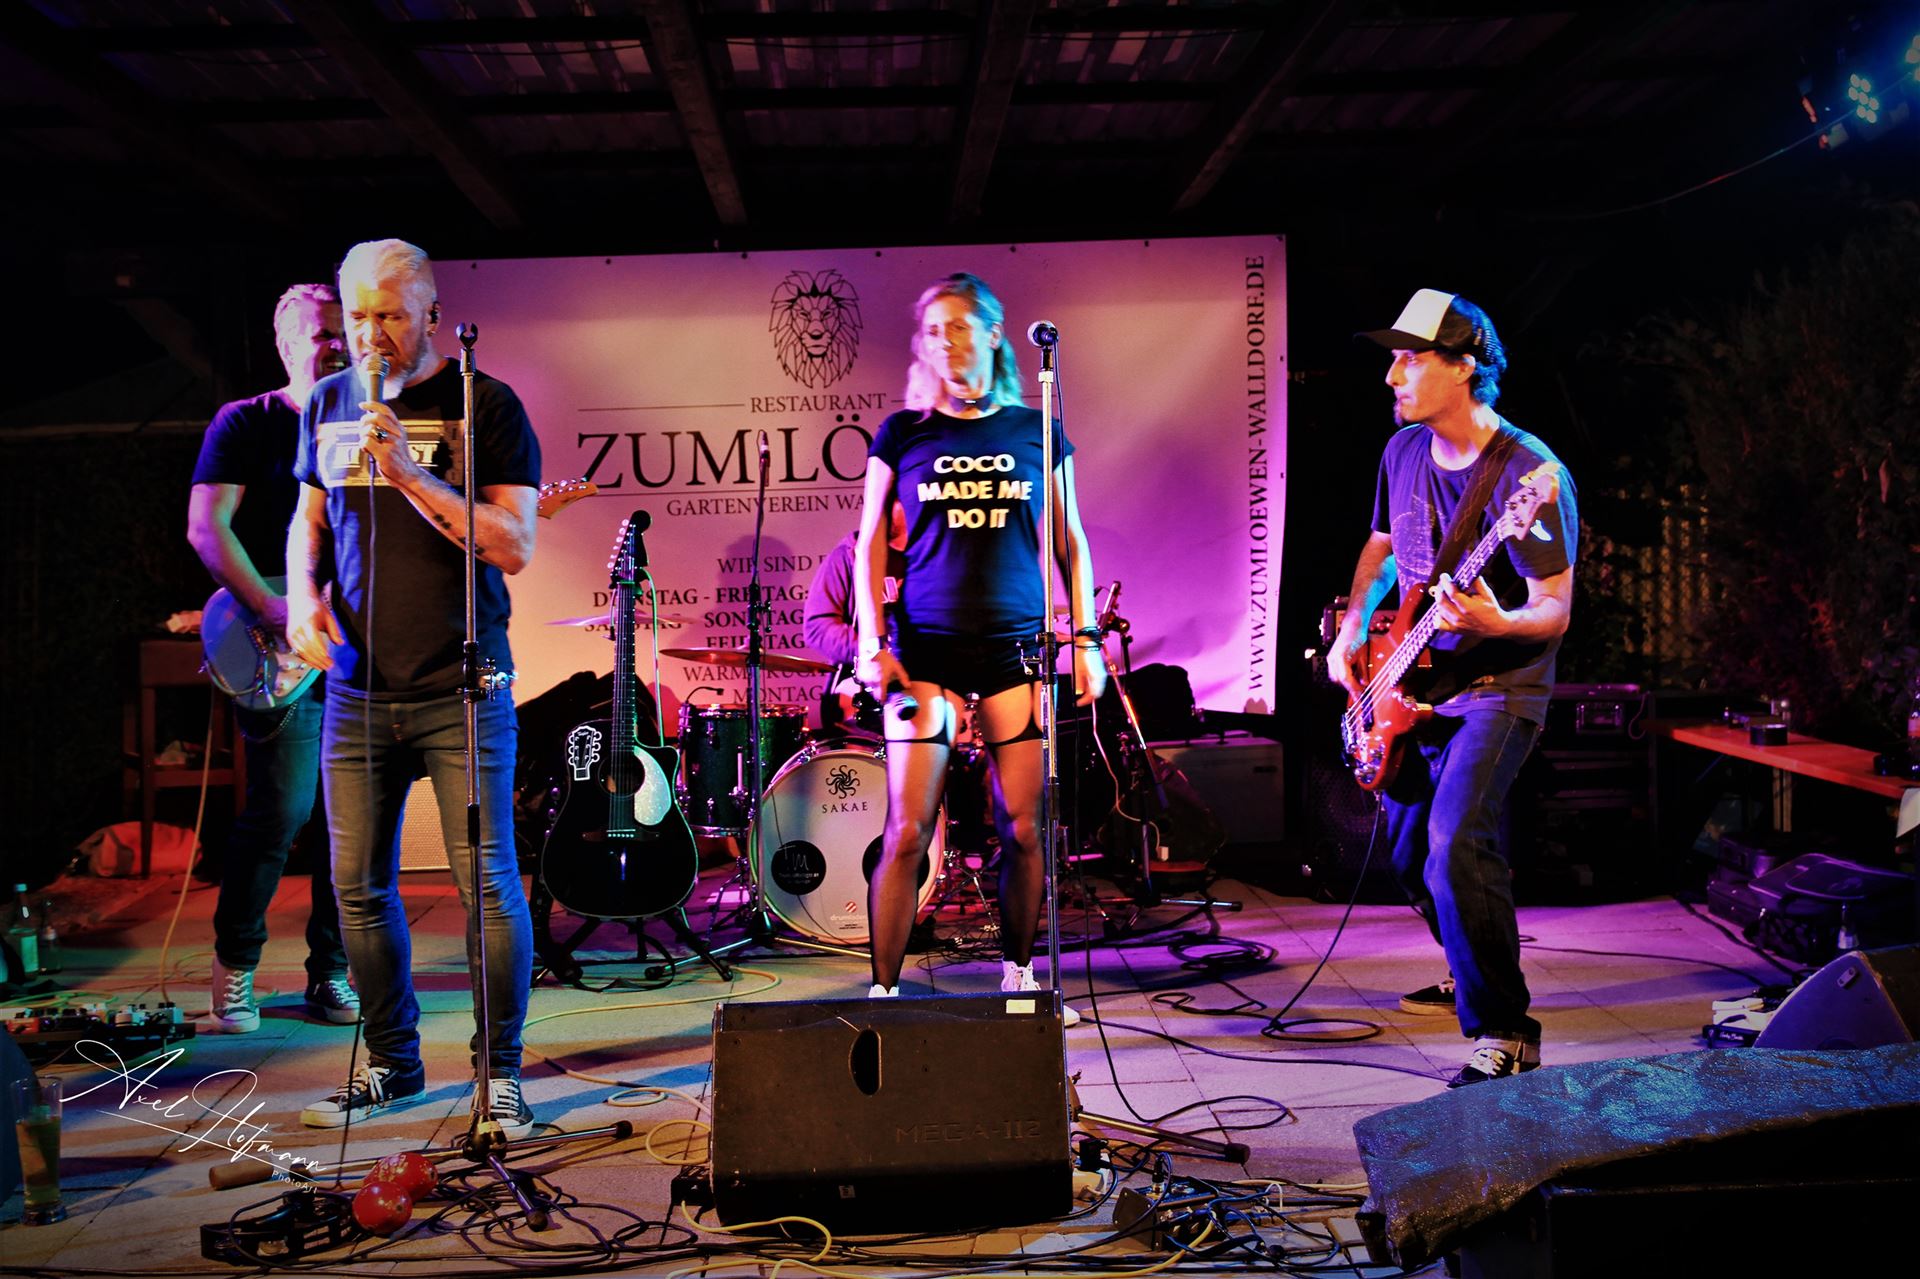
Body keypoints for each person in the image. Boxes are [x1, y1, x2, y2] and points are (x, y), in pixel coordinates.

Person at [285, 239, 540, 1136]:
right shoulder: (328, 402)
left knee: (489, 885)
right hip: (357, 687)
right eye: (357, 315)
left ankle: (500, 1077)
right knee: (356, 886)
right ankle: (393, 1065)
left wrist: (410, 473)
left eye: (389, 314)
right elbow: (307, 519)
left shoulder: (485, 403)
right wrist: (301, 598)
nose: (370, 333)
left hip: (461, 684)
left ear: (432, 313)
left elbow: (515, 543)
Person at [1328, 289, 1577, 1087]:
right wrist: (1352, 627)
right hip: (1415, 679)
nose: (1391, 375)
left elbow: (1554, 607)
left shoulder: (1529, 474)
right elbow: (1381, 546)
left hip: (1500, 686)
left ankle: (1506, 1031)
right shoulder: (1402, 451)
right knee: (1410, 858)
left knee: (1456, 841)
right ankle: (1470, 961)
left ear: (1465, 366)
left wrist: (1499, 621)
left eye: (1410, 358)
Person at [854, 272, 1105, 1017]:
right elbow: (869, 543)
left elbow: (1070, 540)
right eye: (933, 331)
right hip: (925, 651)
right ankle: (884, 990)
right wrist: (871, 641)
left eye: (959, 326)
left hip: (1014, 651)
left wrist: (1086, 638)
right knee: (908, 829)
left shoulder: (1036, 429)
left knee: (1024, 826)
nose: (946, 342)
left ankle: (1019, 975)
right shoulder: (903, 433)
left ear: (994, 335)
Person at [186, 283, 357, 1033]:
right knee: (282, 810)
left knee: (350, 819)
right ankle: (236, 967)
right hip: (276, 643)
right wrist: (270, 606)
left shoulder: (367, 423)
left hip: (353, 644)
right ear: (286, 344)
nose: (336, 345)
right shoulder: (246, 421)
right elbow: (207, 527)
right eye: (321, 333)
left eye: (342, 332)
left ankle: (332, 972)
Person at [803, 502, 905, 734]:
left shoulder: (935, 557)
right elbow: (818, 627)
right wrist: (875, 655)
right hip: (864, 693)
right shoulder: (849, 555)